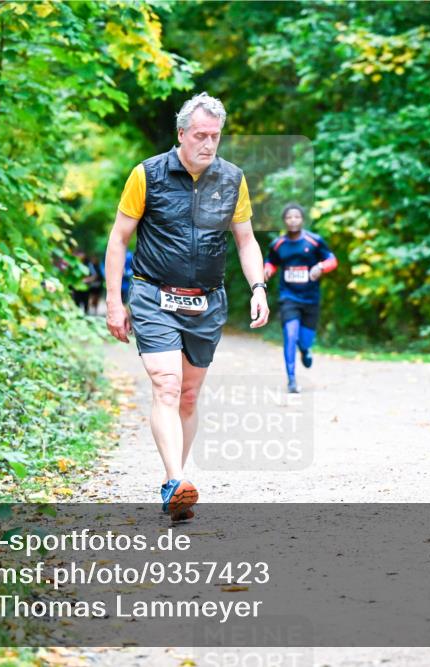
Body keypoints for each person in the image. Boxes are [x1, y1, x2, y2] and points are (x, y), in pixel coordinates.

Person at [104, 92, 270, 520]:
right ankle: (176, 480)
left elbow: (246, 240)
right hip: (153, 294)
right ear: (181, 134)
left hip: (206, 301)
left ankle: (175, 484)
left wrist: (258, 288)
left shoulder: (232, 179)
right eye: (200, 135)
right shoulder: (147, 175)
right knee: (167, 384)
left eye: (215, 136)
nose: (208, 144)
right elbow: (119, 239)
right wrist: (114, 301)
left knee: (190, 396)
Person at [263, 203, 338, 393]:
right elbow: (271, 262)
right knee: (290, 335)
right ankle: (291, 380)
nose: (293, 220)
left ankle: (305, 350)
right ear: (284, 221)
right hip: (289, 297)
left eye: (296, 216)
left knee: (304, 341)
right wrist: (267, 270)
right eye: (289, 217)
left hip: (311, 298)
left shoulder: (314, 241)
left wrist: (320, 267)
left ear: (302, 219)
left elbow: (332, 260)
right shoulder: (278, 244)